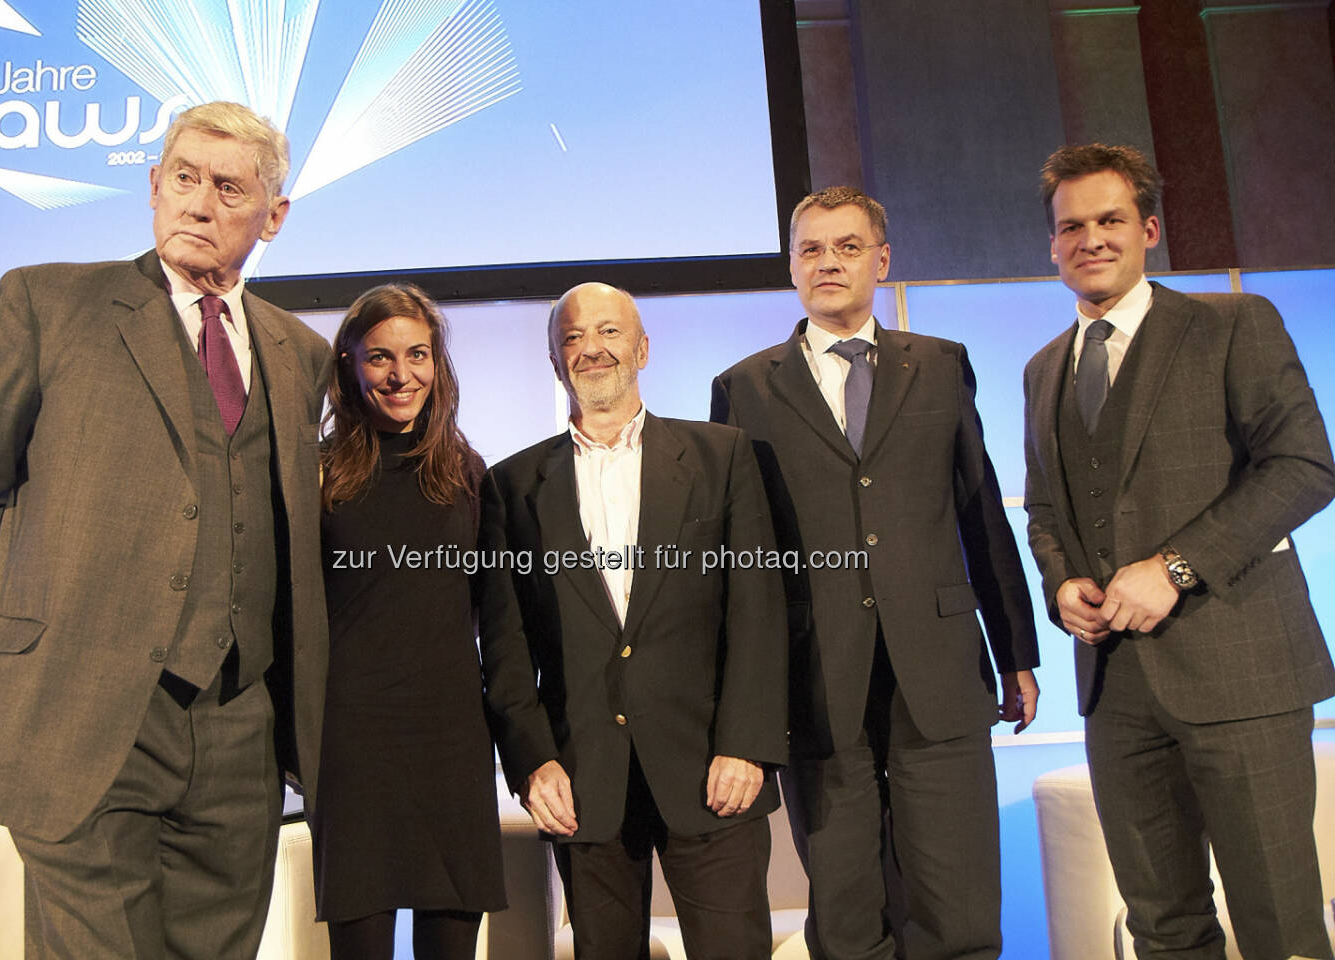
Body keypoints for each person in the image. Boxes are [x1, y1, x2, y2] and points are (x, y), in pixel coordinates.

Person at [0, 101, 330, 959]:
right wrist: (51, 628)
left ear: (274, 216)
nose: (198, 202)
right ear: (153, 185)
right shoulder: (50, 302)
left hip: (238, 733)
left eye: (228, 187)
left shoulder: (301, 353)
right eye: (183, 177)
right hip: (80, 716)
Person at [1024, 143, 1335, 958]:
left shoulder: (1233, 323)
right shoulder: (1041, 368)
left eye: (1110, 220)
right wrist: (1061, 587)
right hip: (1115, 690)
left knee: (1278, 918)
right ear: (1052, 246)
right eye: (1072, 227)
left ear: (1150, 229)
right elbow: (1048, 510)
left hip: (1240, 672)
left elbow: (1305, 466)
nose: (1090, 239)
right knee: (1163, 925)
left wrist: (1174, 568)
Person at [712, 186, 1040, 959]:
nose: (829, 262)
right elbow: (739, 561)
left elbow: (980, 514)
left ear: (882, 260)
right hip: (816, 679)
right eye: (812, 249)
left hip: (940, 667)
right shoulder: (743, 387)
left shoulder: (939, 365)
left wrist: (1016, 649)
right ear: (791, 267)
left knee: (957, 909)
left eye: (848, 247)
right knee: (849, 916)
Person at [478, 282, 788, 958]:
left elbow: (758, 612)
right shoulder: (511, 486)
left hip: (714, 768)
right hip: (584, 782)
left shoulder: (721, 456)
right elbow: (506, 646)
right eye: (572, 338)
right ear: (556, 362)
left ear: (642, 348)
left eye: (609, 332)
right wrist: (533, 762)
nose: (592, 348)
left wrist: (747, 743)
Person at [312, 283, 505, 959]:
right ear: (349, 366)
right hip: (353, 742)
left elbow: (491, 612)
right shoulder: (320, 476)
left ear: (437, 361)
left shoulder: (469, 475)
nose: (402, 375)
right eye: (380, 358)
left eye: (417, 354)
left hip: (451, 740)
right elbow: (292, 617)